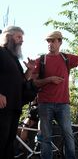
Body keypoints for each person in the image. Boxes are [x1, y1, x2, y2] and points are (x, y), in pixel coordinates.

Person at [32, 30, 78, 159]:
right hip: (45, 103)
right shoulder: (40, 60)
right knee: (45, 138)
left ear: (60, 42)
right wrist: (49, 79)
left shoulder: (66, 58)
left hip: (63, 104)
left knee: (68, 135)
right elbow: (34, 83)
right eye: (48, 41)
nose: (50, 44)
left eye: (53, 41)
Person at [0, 26, 35, 159]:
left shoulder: (14, 58)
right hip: (2, 108)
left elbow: (21, 81)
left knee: (9, 145)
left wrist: (30, 71)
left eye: (22, 38)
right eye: (18, 37)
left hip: (14, 107)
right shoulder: (1, 52)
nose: (21, 41)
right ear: (8, 37)